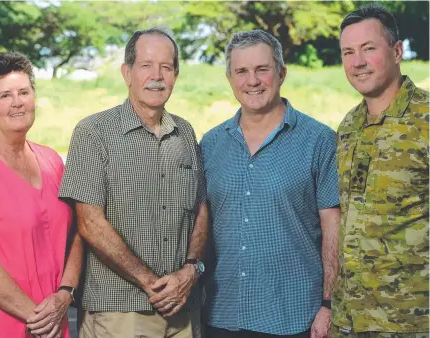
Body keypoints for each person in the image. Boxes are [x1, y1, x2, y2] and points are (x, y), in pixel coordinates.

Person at [59, 27, 208, 338]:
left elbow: (200, 207)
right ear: (127, 73)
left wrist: (190, 269)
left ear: (176, 75)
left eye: (166, 67)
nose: (157, 75)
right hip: (119, 314)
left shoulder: (186, 133)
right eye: (146, 65)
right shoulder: (93, 132)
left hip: (183, 309)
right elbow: (89, 224)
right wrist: (151, 284)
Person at [200, 30, 341, 338]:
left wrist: (329, 305)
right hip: (222, 315)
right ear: (230, 78)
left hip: (294, 319)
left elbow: (334, 228)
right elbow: (202, 227)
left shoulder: (319, 141)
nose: (253, 81)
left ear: (281, 73)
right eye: (242, 71)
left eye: (262, 69)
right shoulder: (210, 144)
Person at [0, 52, 83, 338]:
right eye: (5, 95)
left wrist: (66, 293)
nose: (17, 102)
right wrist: (37, 317)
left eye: (24, 92)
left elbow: (79, 233)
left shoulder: (52, 160)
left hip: (54, 322)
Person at [332, 4, 429, 337]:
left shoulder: (426, 120)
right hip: (350, 321)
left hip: (411, 323)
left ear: (397, 51)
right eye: (348, 52)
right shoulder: (348, 127)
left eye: (368, 49)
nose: (357, 62)